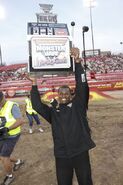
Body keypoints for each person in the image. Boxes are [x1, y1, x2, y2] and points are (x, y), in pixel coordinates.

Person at [29, 47, 96, 185]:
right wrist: (34, 84)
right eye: (61, 94)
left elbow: (82, 85)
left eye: (67, 93)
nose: (64, 96)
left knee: (85, 181)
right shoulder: (53, 112)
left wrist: (77, 63)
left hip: (80, 152)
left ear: (72, 95)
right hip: (61, 155)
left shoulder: (79, 106)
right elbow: (37, 106)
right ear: (57, 96)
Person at [0, 91, 24, 185]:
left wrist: (7, 129)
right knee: (1, 156)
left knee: (4, 156)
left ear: (3, 97)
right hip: (2, 134)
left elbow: (20, 120)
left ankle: (10, 176)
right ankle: (18, 161)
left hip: (12, 135)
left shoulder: (12, 106)